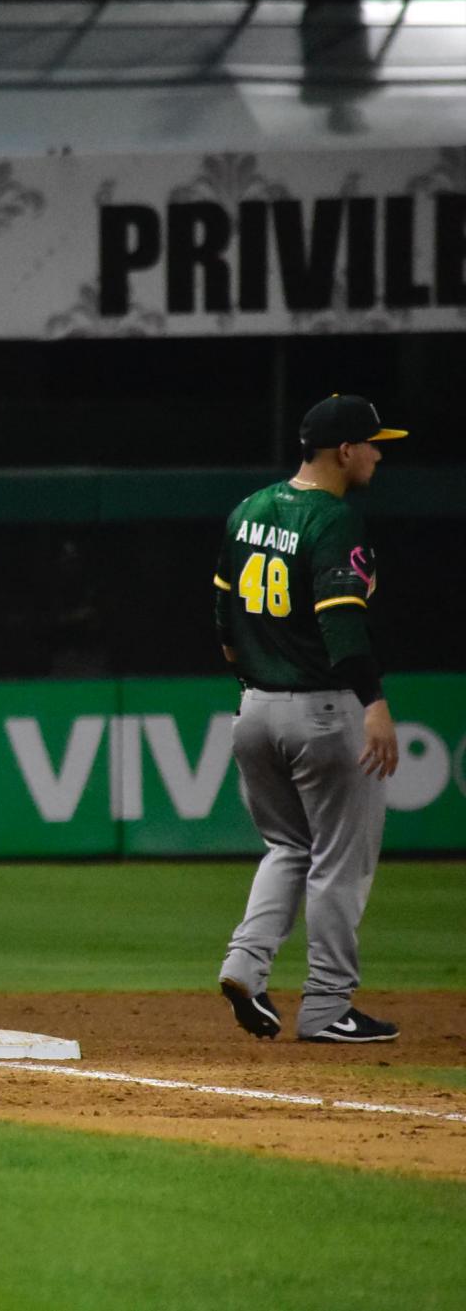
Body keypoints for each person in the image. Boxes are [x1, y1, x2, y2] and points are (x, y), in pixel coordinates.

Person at [215, 394, 405, 1044]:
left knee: (288, 847)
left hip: (254, 709)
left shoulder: (249, 509)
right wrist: (373, 703)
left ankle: (245, 964)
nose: (378, 454)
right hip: (323, 709)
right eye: (373, 443)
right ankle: (327, 1005)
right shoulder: (334, 518)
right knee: (340, 862)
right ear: (344, 451)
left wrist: (255, 681)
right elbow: (342, 624)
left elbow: (224, 621)